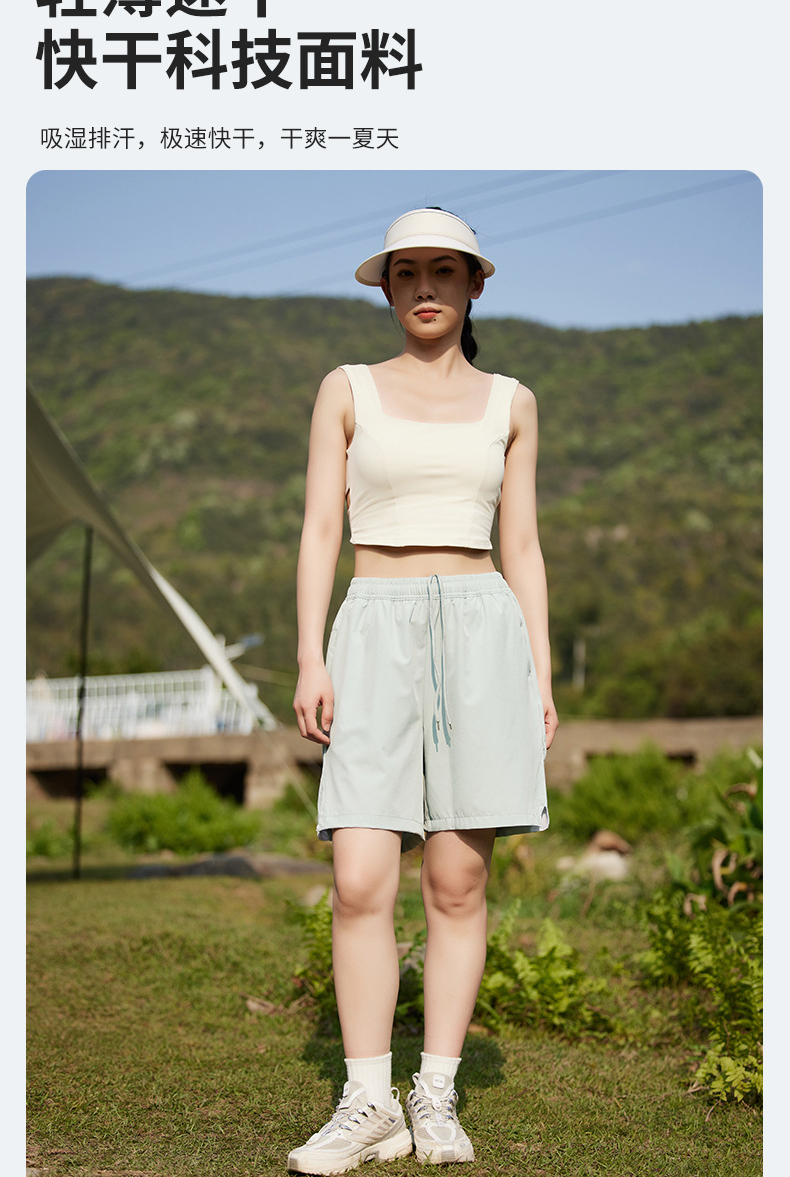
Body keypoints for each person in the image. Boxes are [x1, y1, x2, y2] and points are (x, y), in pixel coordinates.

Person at [290, 208, 558, 1174]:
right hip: (372, 626)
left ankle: (434, 1095)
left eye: (445, 270)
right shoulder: (347, 389)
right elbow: (321, 529)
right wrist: (311, 655)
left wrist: (541, 672)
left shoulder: (512, 402)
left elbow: (521, 544)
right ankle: (369, 1104)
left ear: (476, 283)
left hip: (484, 629)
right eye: (407, 272)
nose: (426, 287)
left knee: (457, 881)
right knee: (360, 875)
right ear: (388, 288)